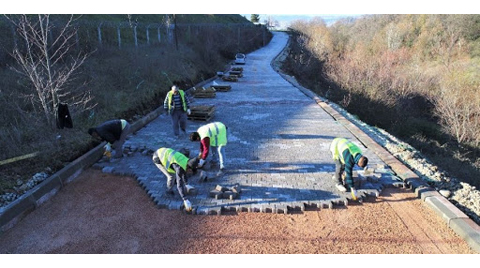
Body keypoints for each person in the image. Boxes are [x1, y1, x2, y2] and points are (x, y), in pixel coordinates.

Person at [152, 147, 199, 212]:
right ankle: (168, 191)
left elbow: (184, 173)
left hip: (164, 152)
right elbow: (179, 185)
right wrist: (185, 199)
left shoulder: (187, 161)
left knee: (176, 174)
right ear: (189, 168)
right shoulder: (179, 168)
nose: (190, 173)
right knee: (171, 176)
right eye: (190, 172)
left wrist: (186, 184)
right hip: (158, 158)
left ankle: (173, 184)